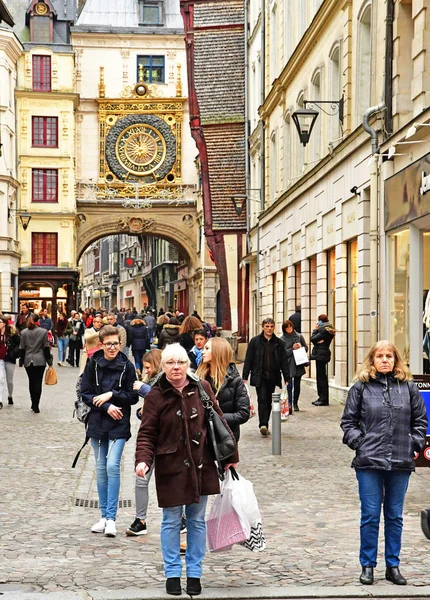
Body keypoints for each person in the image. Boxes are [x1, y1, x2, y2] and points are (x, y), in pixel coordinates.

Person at [135, 343, 238, 596]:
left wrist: (230, 457)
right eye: (171, 363)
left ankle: (194, 573)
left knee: (196, 520)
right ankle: (172, 574)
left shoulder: (202, 388)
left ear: (188, 364)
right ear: (163, 366)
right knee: (171, 521)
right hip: (170, 466)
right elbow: (147, 433)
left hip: (201, 464)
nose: (176, 367)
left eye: (181, 362)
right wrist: (143, 460)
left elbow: (219, 422)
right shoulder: (155, 395)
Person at [341, 340, 427, 586]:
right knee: (369, 515)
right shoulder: (361, 388)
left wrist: (414, 443)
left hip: (400, 461)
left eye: (389, 355)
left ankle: (393, 565)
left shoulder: (408, 388)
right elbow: (348, 422)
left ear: (396, 360)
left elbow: (421, 420)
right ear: (372, 360)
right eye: (380, 356)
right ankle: (367, 565)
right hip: (369, 463)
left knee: (394, 516)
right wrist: (360, 443)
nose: (385, 360)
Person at [80, 325, 138, 538]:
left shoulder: (127, 366)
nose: (113, 347)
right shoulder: (93, 363)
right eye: (109, 344)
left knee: (113, 465)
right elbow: (85, 393)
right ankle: (104, 516)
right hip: (97, 421)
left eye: (116, 343)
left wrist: (111, 395)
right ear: (101, 344)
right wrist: (106, 405)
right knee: (101, 467)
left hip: (119, 423)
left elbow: (133, 396)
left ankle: (112, 518)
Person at [126, 349, 162, 537]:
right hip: (149, 437)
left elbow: (163, 400)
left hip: (165, 439)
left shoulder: (164, 380)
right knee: (141, 478)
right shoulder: (152, 381)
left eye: (149, 367)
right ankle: (140, 519)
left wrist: (143, 389)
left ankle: (180, 519)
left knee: (169, 481)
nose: (146, 371)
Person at [197, 337, 250, 442]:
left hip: (226, 437)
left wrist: (217, 418)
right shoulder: (198, 378)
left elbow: (243, 413)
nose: (203, 352)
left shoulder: (235, 381)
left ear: (218, 351)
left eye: (207, 348)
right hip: (202, 437)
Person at [242, 318, 290, 436]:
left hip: (273, 376)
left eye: (271, 326)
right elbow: (249, 359)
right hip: (260, 376)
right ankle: (263, 424)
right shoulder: (255, 342)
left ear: (274, 328)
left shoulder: (279, 343)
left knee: (268, 400)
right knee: (262, 398)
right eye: (267, 326)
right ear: (263, 327)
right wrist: (245, 375)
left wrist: (287, 377)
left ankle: (265, 423)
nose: (269, 328)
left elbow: (284, 361)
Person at [19, 314, 51, 413]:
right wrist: (49, 360)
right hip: (40, 360)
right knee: (38, 382)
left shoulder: (24, 332)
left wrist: (21, 360)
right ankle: (36, 404)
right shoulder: (43, 332)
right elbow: (46, 347)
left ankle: (33, 402)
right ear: (38, 321)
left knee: (31, 382)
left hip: (28, 360)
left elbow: (22, 348)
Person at [280, 319, 308, 412]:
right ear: (284, 329)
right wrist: (292, 348)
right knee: (289, 385)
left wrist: (300, 347)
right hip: (288, 365)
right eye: (287, 327)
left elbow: (306, 348)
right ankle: (289, 404)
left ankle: (295, 403)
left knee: (297, 385)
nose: (289, 328)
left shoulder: (299, 336)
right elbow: (282, 354)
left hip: (298, 363)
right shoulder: (282, 339)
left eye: (290, 326)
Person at [310, 314, 336, 406]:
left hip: (320, 355)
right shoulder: (329, 329)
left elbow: (312, 339)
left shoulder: (323, 330)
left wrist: (315, 330)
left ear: (320, 321)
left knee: (321, 378)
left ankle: (323, 399)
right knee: (322, 377)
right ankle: (322, 398)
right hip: (324, 353)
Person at [1, 315, 20, 407]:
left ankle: (10, 395)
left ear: (4, 323)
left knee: (9, 380)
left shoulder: (12, 333)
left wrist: (13, 353)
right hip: (0, 358)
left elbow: (18, 344)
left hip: (10, 359)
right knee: (0, 379)